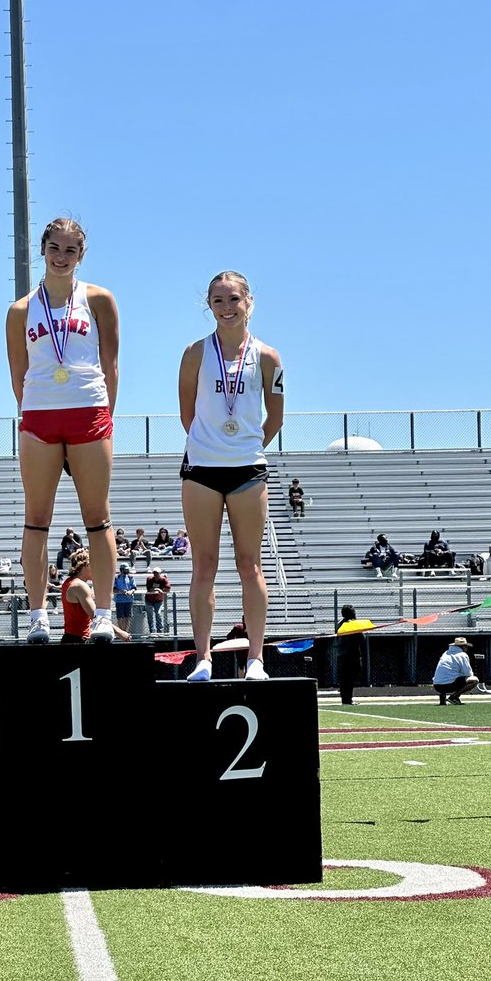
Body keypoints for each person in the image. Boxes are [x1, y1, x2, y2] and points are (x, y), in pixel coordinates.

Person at [6, 217, 119, 643]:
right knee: (36, 519)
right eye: (55, 247)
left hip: (89, 411)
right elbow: (18, 373)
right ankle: (37, 616)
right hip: (40, 417)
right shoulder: (20, 310)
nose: (61, 257)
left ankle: (103, 614)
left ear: (82, 255)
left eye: (71, 250)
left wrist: (107, 417)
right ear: (43, 248)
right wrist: (32, 413)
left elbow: (110, 365)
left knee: (98, 518)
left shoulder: (99, 299)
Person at [178, 270, 284, 683]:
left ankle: (256, 658)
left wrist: (245, 446)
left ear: (249, 302)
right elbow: (187, 414)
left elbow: (274, 417)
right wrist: (213, 445)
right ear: (209, 306)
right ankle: (203, 657)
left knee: (249, 566)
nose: (226, 307)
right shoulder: (194, 353)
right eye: (218, 300)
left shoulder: (269, 357)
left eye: (233, 299)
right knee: (203, 565)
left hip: (247, 470)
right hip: (202, 469)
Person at [61, 549, 129, 643]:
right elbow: (96, 615)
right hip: (78, 640)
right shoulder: (80, 586)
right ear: (86, 565)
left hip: (72, 638)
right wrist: (120, 632)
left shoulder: (68, 582)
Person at [432, 636, 479, 706]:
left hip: (437, 685)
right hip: (449, 685)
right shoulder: (462, 655)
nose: (467, 648)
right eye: (466, 646)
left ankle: (442, 697)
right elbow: (468, 673)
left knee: (448, 675)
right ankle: (454, 697)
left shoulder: (446, 653)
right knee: (474, 680)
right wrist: (468, 688)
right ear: (463, 647)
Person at [335, 604, 366, 705]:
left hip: (341, 655)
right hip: (352, 655)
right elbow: (362, 638)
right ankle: (348, 699)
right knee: (350, 678)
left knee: (344, 679)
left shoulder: (340, 624)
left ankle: (345, 699)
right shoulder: (352, 624)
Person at [145, 566, 172, 634]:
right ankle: (152, 631)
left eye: (157, 573)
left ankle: (159, 630)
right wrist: (158, 589)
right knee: (150, 616)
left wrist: (160, 590)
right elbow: (149, 589)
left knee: (158, 614)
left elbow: (168, 588)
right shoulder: (149, 579)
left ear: (160, 573)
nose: (155, 575)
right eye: (154, 573)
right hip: (149, 600)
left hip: (158, 600)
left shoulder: (163, 580)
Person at [113, 563, 136, 629]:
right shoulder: (116, 578)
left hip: (129, 600)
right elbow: (114, 589)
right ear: (122, 570)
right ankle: (121, 631)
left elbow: (134, 587)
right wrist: (121, 591)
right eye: (126, 569)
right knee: (120, 617)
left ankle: (126, 631)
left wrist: (130, 591)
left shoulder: (130, 577)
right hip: (119, 601)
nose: (128, 570)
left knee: (127, 616)